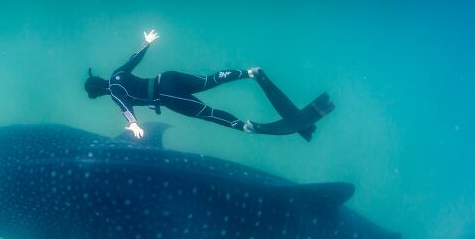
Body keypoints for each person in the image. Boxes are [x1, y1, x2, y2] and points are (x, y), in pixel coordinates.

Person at [84, 30, 334, 140]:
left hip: (166, 94)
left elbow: (124, 106)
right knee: (209, 81)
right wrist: (147, 42)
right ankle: (249, 73)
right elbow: (134, 59)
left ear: (97, 93)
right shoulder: (117, 74)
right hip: (167, 78)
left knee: (208, 114)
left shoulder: (114, 91)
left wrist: (134, 124)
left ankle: (243, 126)